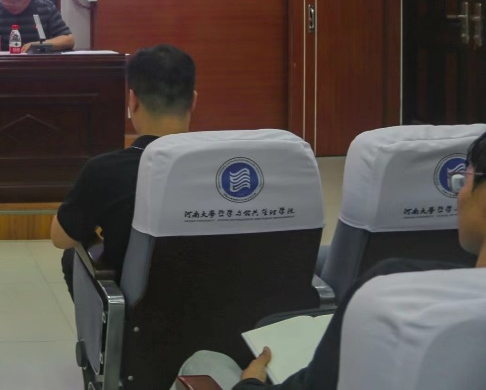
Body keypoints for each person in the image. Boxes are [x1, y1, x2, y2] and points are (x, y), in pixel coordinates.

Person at [180, 128, 486, 389]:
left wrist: (250, 383)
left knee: (205, 361)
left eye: (464, 180)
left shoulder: (392, 291)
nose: (458, 194)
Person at [51, 44, 196, 294]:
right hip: (226, 310)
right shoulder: (229, 171)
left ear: (133, 101)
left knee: (72, 256)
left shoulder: (106, 170)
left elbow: (61, 238)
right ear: (193, 101)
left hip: (140, 310)